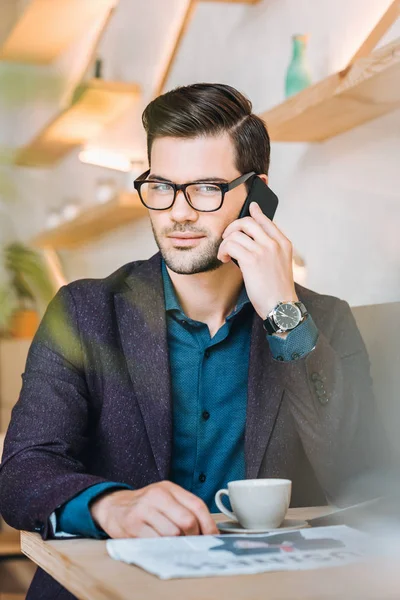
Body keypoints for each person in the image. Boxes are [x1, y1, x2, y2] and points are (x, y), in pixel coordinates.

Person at [0, 83, 387, 600]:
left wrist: (282, 310)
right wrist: (109, 505)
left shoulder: (322, 321)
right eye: (161, 186)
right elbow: (23, 473)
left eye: (206, 188)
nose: (178, 212)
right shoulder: (84, 311)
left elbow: (359, 477)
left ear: (257, 195)